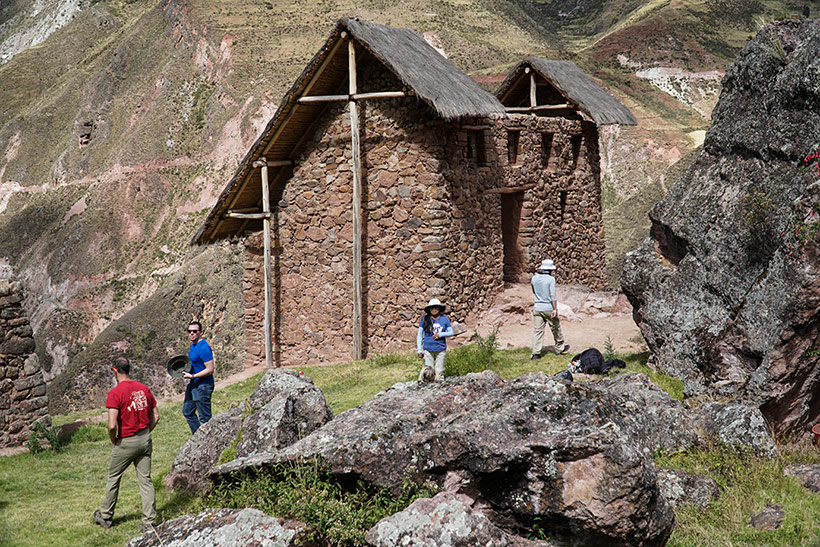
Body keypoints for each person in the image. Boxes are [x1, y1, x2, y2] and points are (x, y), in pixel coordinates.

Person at [94, 357, 159, 531]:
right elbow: (156, 416)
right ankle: (149, 522)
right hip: (144, 438)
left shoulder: (116, 393)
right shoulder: (143, 388)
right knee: (145, 480)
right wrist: (146, 433)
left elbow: (112, 425)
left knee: (114, 478)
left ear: (115, 370)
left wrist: (113, 439)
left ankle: (106, 516)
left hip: (125, 441)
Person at [531, 259, 569, 360]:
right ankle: (559, 348)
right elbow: (552, 295)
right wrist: (555, 309)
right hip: (548, 307)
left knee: (538, 331)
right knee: (555, 327)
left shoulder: (534, 278)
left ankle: (536, 352)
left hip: (538, 307)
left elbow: (534, 291)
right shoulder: (550, 279)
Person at [182, 321, 214, 434]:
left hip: (203, 385)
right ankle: (198, 437)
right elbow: (196, 364)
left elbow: (210, 369)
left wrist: (193, 376)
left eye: (194, 331)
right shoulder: (193, 345)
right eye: (189, 331)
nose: (192, 333)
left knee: (205, 418)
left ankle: (210, 441)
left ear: (200, 332)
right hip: (194, 383)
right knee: (187, 411)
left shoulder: (204, 348)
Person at [416, 298, 453, 382]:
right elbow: (419, 334)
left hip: (440, 348)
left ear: (439, 308)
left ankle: (440, 390)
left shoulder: (444, 319)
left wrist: (440, 334)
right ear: (429, 309)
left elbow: (451, 332)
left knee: (439, 372)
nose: (434, 309)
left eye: (436, 307)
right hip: (428, 349)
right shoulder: (425, 319)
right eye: (432, 308)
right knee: (428, 372)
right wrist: (419, 349)